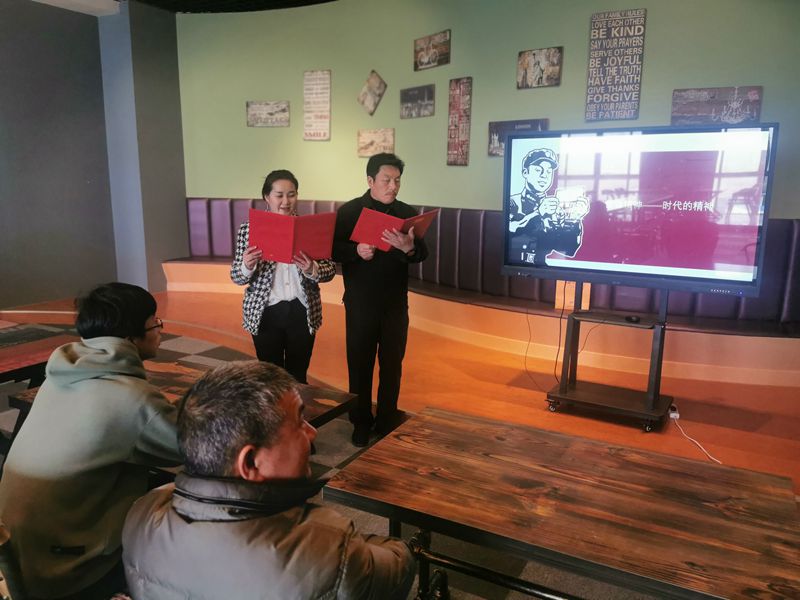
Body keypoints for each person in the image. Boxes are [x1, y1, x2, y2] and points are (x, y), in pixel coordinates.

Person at [122, 361, 416, 599]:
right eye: (299, 421)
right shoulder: (330, 551)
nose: (312, 432)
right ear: (250, 462)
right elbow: (399, 564)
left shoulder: (142, 513)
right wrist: (342, 536)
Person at [0, 282, 181, 600]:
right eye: (155, 323)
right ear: (131, 337)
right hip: (69, 571)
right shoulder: (131, 399)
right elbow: (194, 447)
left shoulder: (60, 377)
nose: (160, 332)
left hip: (22, 555)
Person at [333, 153, 428, 447]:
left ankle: (387, 419)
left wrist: (409, 248)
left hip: (395, 304)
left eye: (397, 180)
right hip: (360, 302)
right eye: (386, 180)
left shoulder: (407, 213)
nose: (393, 186)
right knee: (359, 364)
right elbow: (332, 249)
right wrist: (355, 251)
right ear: (370, 180)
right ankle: (360, 421)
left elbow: (422, 253)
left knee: (392, 364)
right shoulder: (350, 212)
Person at [231, 169, 336, 384]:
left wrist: (312, 268)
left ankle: (297, 408)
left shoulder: (310, 228)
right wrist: (247, 265)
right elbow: (237, 277)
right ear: (266, 197)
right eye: (279, 195)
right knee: (270, 379)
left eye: (291, 194)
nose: (286, 201)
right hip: (265, 311)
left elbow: (330, 271)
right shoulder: (249, 229)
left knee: (299, 376)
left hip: (303, 309)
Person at [508, 148, 589, 265]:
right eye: (538, 170)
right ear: (525, 173)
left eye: (549, 171)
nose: (544, 176)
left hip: (544, 270)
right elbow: (511, 232)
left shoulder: (554, 209)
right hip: (517, 268)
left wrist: (574, 219)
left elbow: (568, 249)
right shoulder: (512, 202)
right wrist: (539, 213)